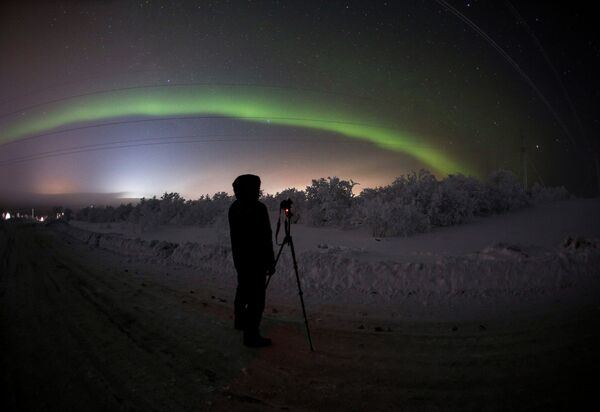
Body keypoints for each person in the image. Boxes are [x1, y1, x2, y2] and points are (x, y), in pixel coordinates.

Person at [228, 174, 275, 347]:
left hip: (240, 259)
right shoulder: (257, 208)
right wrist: (270, 261)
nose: (259, 191)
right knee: (257, 299)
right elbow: (265, 237)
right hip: (256, 262)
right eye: (256, 187)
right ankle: (251, 335)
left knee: (242, 291)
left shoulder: (234, 207)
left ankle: (240, 322)